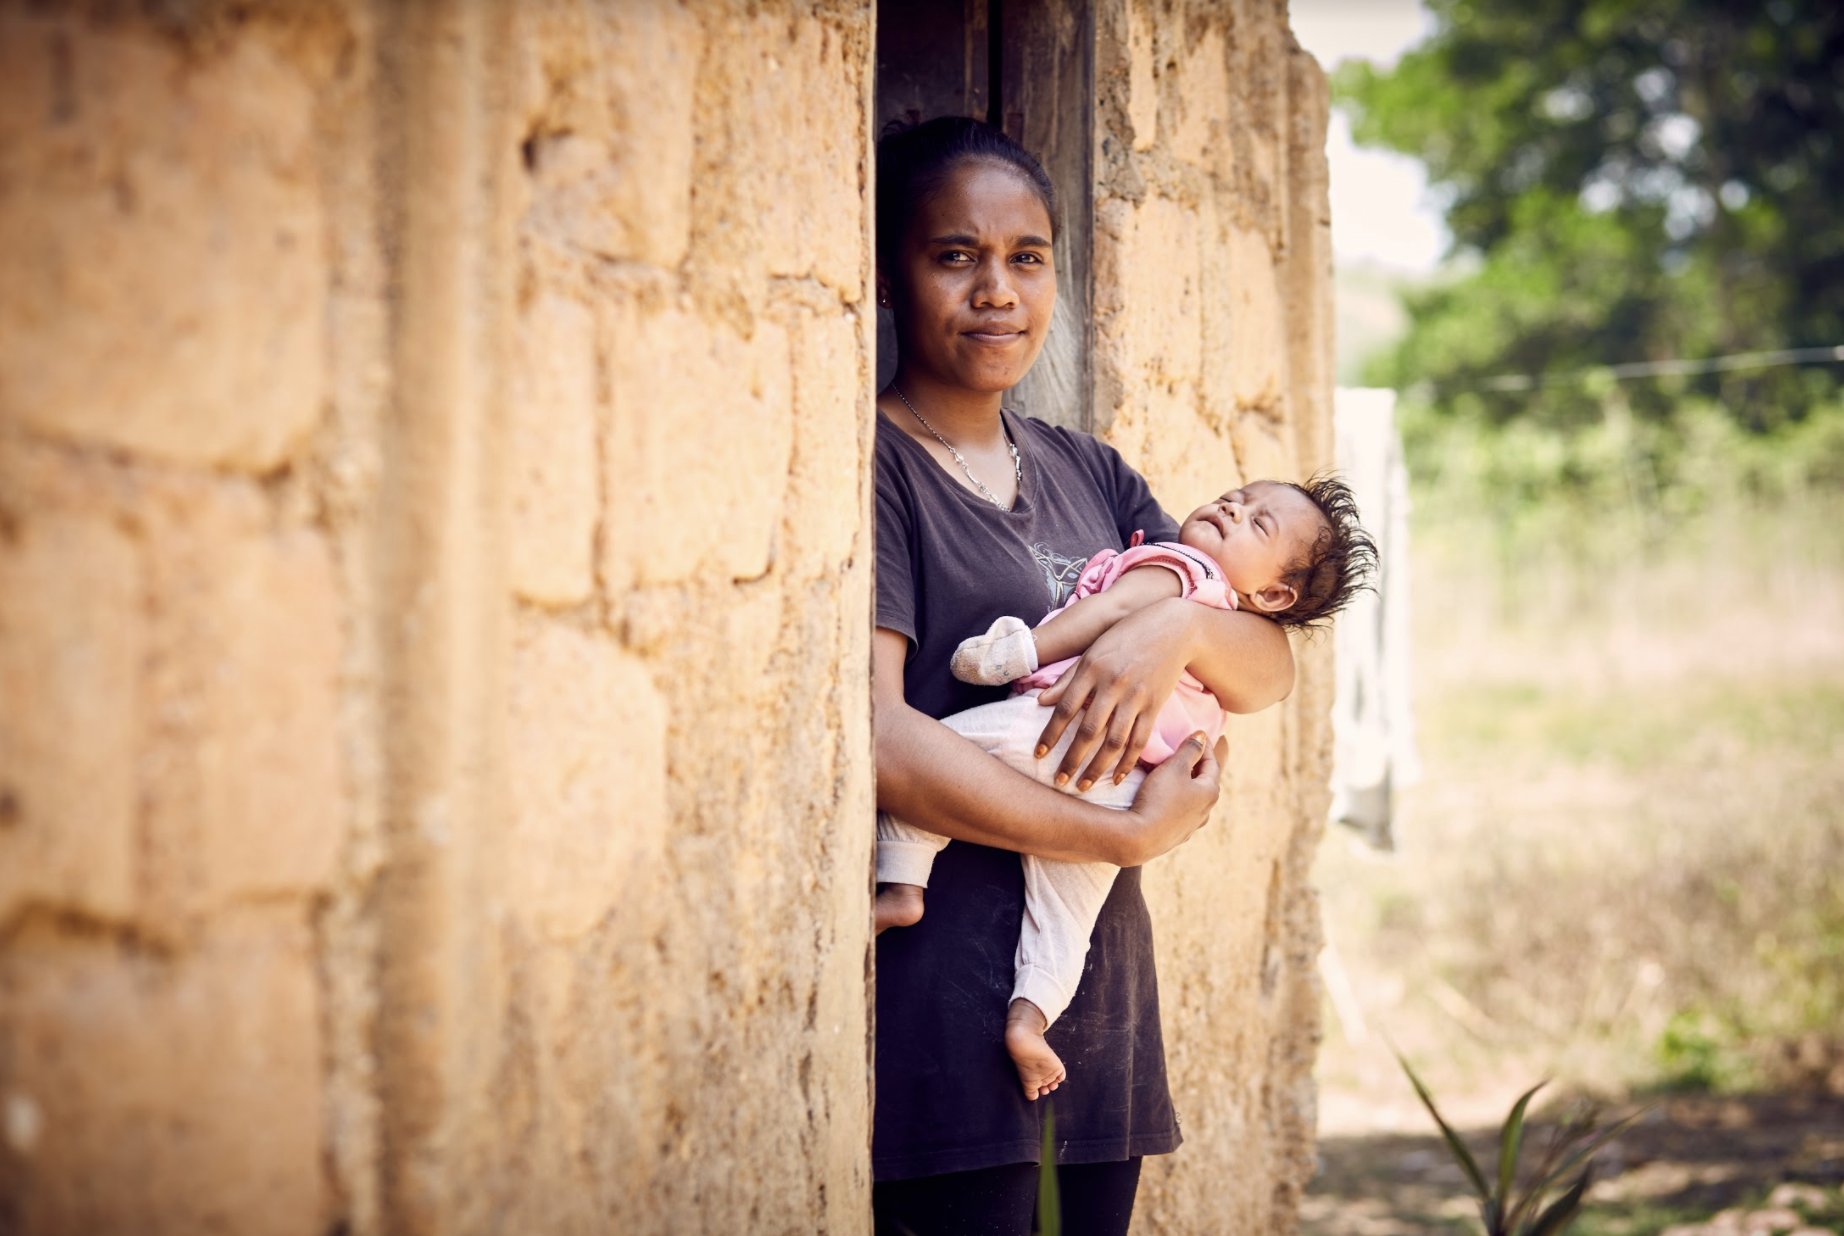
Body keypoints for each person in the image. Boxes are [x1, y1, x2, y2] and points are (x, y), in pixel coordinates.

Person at [870, 115, 1298, 1236]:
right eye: (953, 255)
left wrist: (1165, 636)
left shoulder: (1085, 469)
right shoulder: (874, 470)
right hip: (945, 1029)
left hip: (1091, 1016)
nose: (995, 292)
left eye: (1026, 257)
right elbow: (879, 742)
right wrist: (1121, 835)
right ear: (888, 273)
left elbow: (1263, 671)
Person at [877, 477, 1375, 1101]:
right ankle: (1029, 1022)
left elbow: (1108, 612)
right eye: (1236, 496)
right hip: (1126, 786)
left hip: (1055, 732)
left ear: (1274, 593)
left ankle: (901, 885)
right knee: (1063, 919)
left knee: (944, 751)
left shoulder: (1183, 567)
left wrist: (1018, 654)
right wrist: (1136, 828)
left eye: (1257, 522)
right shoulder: (1228, 618)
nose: (1231, 507)